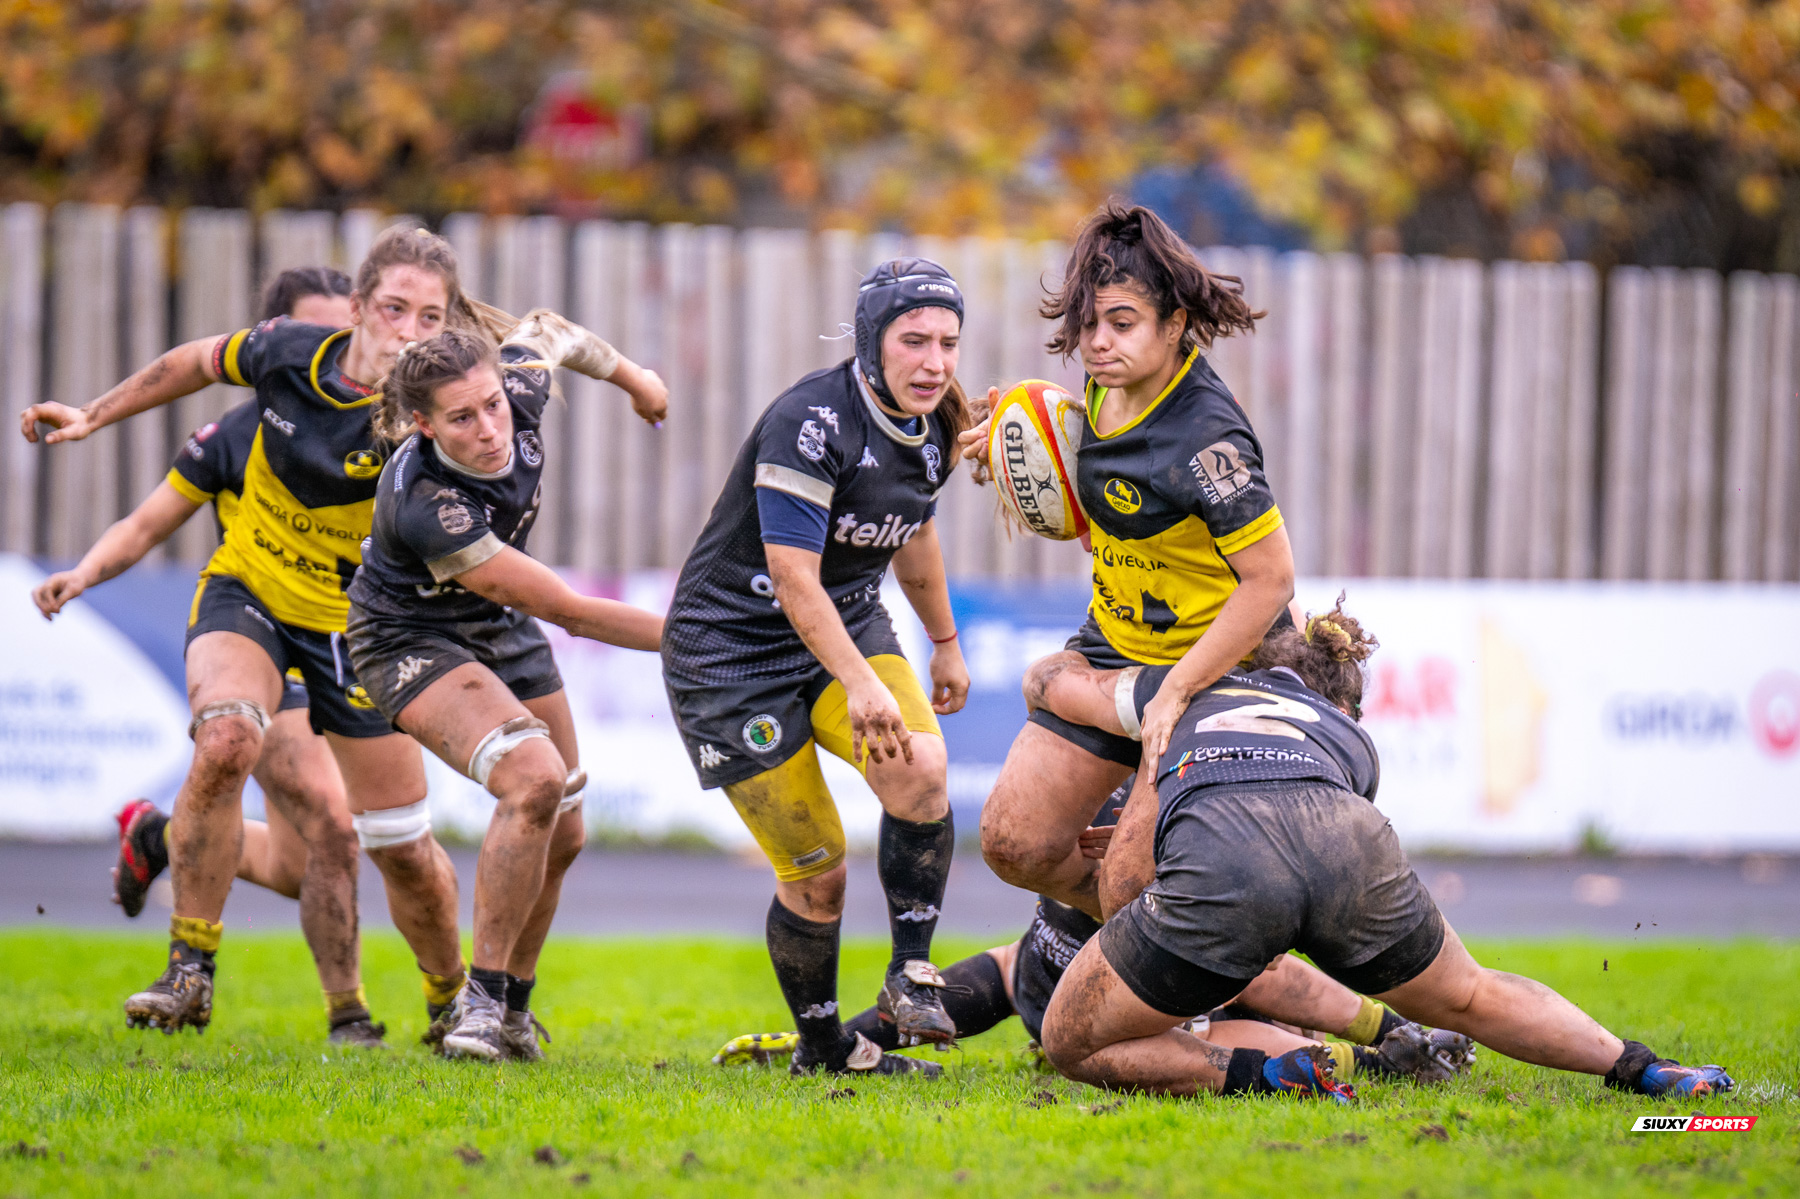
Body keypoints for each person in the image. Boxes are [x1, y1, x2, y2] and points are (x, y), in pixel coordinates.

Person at [18, 228, 541, 1039]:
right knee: (226, 740)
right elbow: (192, 367)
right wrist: (92, 417)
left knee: (396, 843)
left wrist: (632, 378)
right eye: (393, 308)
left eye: (429, 316)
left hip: (363, 634)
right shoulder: (282, 363)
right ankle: (194, 972)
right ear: (361, 308)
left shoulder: (439, 422)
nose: (408, 329)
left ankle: (451, 1002)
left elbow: (540, 382)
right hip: (251, 598)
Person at [1037, 598, 1735, 1101]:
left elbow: (1055, 689)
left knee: (1070, 1039)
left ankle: (1272, 1074)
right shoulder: (1351, 740)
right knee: (1470, 993)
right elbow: (1305, 841)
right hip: (1346, 835)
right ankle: (1645, 1069)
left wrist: (1071, 670)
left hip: (1229, 850)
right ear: (1338, 702)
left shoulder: (1188, 691)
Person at [30, 267, 386, 1045]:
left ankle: (158, 836)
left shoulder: (394, 425)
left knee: (316, 851)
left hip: (336, 641)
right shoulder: (240, 431)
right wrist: (83, 573)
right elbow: (151, 518)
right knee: (241, 748)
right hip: (257, 629)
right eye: (311, 333)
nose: (337, 351)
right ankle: (338, 1011)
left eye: (346, 330)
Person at [661, 258, 973, 1078]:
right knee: (818, 868)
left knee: (922, 769)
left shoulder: (936, 419)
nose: (934, 361)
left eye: (947, 341)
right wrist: (864, 681)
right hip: (731, 656)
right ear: (871, 343)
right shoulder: (811, 420)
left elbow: (916, 530)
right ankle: (825, 1048)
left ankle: (911, 973)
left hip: (850, 625)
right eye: (914, 341)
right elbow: (794, 576)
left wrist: (942, 639)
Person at [957, 200, 1290, 926]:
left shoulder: (1208, 438)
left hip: (1210, 671)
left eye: (1122, 323)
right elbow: (1102, 505)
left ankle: (1191, 979)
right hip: (1116, 644)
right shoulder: (1103, 389)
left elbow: (1273, 580)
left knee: (1132, 889)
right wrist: (1018, 453)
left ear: (1174, 324)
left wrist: (1177, 693)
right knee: (1015, 844)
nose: (1097, 344)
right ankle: (1186, 951)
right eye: (1088, 324)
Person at [716, 773, 1476, 1089]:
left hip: (1103, 994)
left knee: (1234, 998)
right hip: (1049, 983)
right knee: (1014, 971)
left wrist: (1384, 1023)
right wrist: (838, 1037)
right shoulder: (1106, 799)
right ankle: (831, 1045)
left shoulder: (1155, 831)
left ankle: (1383, 1051)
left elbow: (1268, 974)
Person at [344, 316, 666, 1060]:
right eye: (462, 418)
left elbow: (552, 330)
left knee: (568, 826)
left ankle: (511, 1011)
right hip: (407, 639)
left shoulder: (515, 387)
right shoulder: (429, 503)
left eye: (492, 404)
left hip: (495, 621)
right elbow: (569, 610)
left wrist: (636, 380)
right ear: (422, 425)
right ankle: (477, 1004)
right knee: (533, 780)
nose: (490, 428)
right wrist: (709, 633)